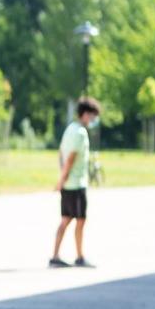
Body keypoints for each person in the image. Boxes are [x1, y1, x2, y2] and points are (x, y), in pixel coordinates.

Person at [50, 97, 102, 268]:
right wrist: (62, 179)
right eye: (93, 116)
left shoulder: (70, 129)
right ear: (85, 114)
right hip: (76, 184)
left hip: (68, 184)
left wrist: (61, 178)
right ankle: (80, 256)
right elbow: (70, 158)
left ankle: (55, 256)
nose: (94, 120)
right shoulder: (80, 133)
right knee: (80, 220)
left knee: (65, 219)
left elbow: (61, 154)